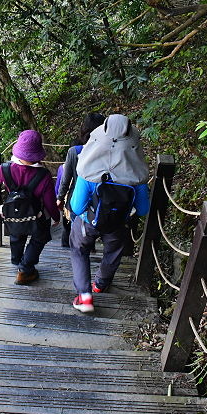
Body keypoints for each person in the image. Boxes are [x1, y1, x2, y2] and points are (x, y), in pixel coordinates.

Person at [68, 114, 150, 313]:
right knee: (113, 251)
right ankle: (100, 283)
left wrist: (91, 214)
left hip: (89, 223)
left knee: (79, 249)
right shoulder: (137, 174)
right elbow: (143, 209)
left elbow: (77, 207)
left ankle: (85, 296)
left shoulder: (88, 169)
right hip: (117, 224)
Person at [0, 130, 59, 285]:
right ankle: (24, 269)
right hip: (36, 215)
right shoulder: (44, 175)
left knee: (17, 234)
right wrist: (56, 217)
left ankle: (17, 260)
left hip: (14, 213)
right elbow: (50, 201)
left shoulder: (5, 169)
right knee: (40, 238)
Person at [56, 113, 105, 247]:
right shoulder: (110, 151)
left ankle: (79, 257)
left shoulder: (75, 151)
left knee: (77, 235)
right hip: (101, 200)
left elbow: (66, 180)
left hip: (77, 199)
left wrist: (60, 198)